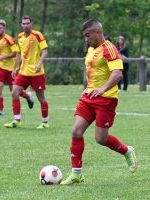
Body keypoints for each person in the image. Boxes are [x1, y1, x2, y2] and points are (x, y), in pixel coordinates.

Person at [61, 19, 138, 185]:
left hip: (106, 99)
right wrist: (90, 89)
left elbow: (117, 73)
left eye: (88, 35)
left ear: (97, 32)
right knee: (76, 131)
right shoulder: (90, 49)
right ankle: (77, 174)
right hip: (89, 97)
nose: (86, 39)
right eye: (84, 36)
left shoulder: (109, 48)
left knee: (100, 138)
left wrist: (102, 89)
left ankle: (127, 151)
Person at [3, 15, 49, 129]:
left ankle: (45, 123)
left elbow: (45, 50)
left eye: (28, 23)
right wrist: (14, 68)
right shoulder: (20, 37)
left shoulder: (37, 35)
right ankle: (17, 120)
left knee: (41, 98)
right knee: (14, 93)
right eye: (23, 24)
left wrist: (39, 63)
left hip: (36, 73)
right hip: (23, 72)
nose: (26, 25)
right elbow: (19, 53)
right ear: (21, 25)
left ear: (31, 24)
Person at [0, 19, 34, 116]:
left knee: (14, 91)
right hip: (0, 68)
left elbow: (16, 53)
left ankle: (28, 96)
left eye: (0, 28)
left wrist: (2, 57)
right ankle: (0, 111)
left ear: (4, 28)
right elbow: (1, 53)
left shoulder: (9, 39)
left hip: (10, 69)